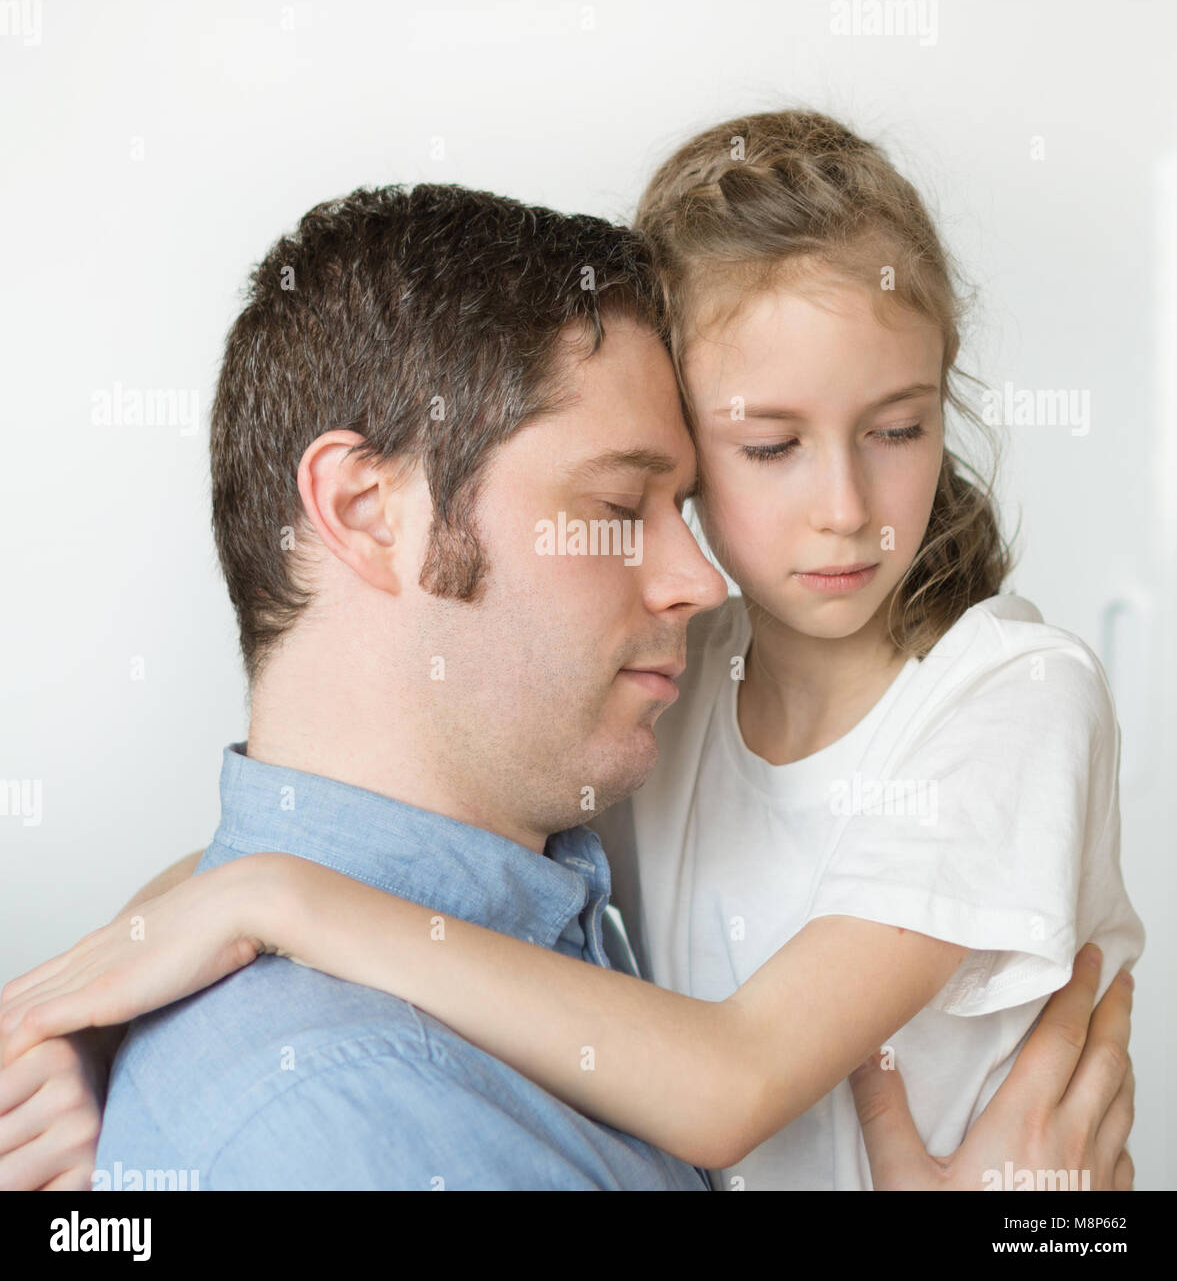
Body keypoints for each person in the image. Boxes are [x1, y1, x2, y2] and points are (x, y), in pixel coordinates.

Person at [0, 157, 1138, 1191]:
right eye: (616, 505)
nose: (697, 577)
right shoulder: (339, 1115)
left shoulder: (972, 697)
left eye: (898, 426)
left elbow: (726, 1080)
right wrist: (106, 1001)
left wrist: (249, 908)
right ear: (365, 510)